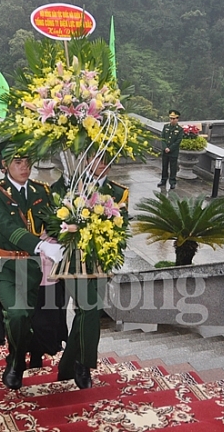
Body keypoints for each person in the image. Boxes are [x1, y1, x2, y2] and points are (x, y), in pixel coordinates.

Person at [0, 140, 63, 390]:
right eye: (18, 163)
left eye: (28, 162)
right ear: (5, 165)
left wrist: (66, 229)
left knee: (27, 319)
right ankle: (15, 362)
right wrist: (39, 246)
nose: (24, 167)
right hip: (4, 265)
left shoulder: (41, 191)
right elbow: (7, 227)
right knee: (16, 314)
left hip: (33, 268)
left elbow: (52, 222)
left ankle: (18, 354)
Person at [53, 156, 129, 389]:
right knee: (89, 308)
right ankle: (84, 365)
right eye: (97, 157)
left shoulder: (118, 191)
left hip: (100, 259)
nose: (103, 162)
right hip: (73, 258)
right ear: (86, 159)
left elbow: (122, 226)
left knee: (91, 310)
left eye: (107, 157)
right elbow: (54, 219)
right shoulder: (68, 184)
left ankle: (69, 363)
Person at [158, 109, 184, 190]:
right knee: (164, 166)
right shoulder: (166, 127)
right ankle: (163, 180)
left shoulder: (179, 129)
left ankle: (172, 182)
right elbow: (162, 138)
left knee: (173, 167)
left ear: (177, 119)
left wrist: (170, 148)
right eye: (171, 118)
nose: (172, 120)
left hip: (173, 151)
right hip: (165, 150)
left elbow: (178, 141)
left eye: (174, 119)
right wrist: (165, 147)